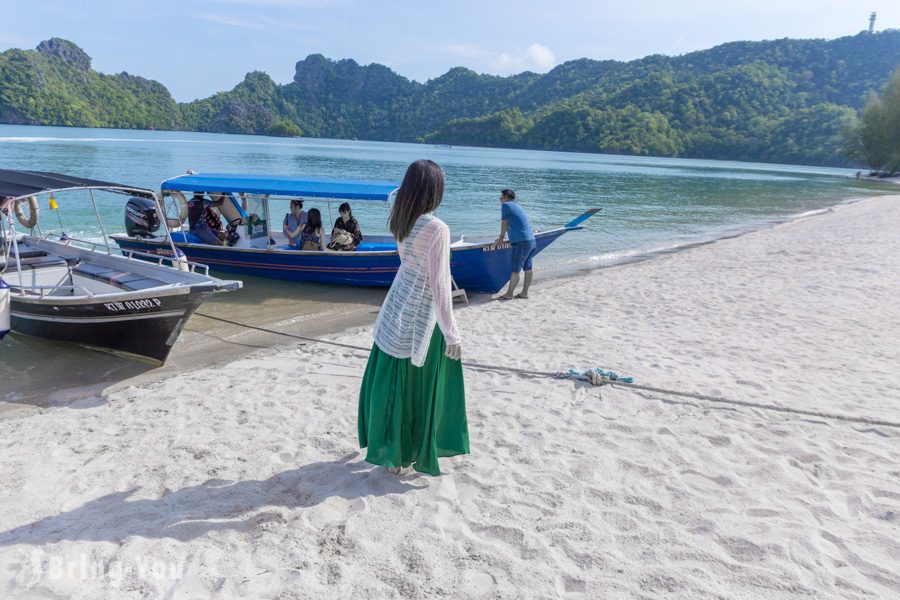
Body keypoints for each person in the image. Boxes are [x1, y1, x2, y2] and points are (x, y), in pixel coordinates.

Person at [358, 159, 468, 476]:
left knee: (395, 382)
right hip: (422, 316)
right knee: (422, 385)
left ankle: (394, 453)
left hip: (395, 307)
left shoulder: (401, 218)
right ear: (434, 191)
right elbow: (439, 286)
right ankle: (411, 451)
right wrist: (452, 333)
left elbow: (395, 197)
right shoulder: (437, 229)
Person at [495, 188, 536, 299]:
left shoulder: (506, 205)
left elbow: (505, 223)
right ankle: (524, 293)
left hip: (521, 243)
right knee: (528, 269)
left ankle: (509, 294)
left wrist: (501, 238)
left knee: (515, 271)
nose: (499, 199)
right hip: (531, 241)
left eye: (501, 196)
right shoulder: (517, 205)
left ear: (506, 197)